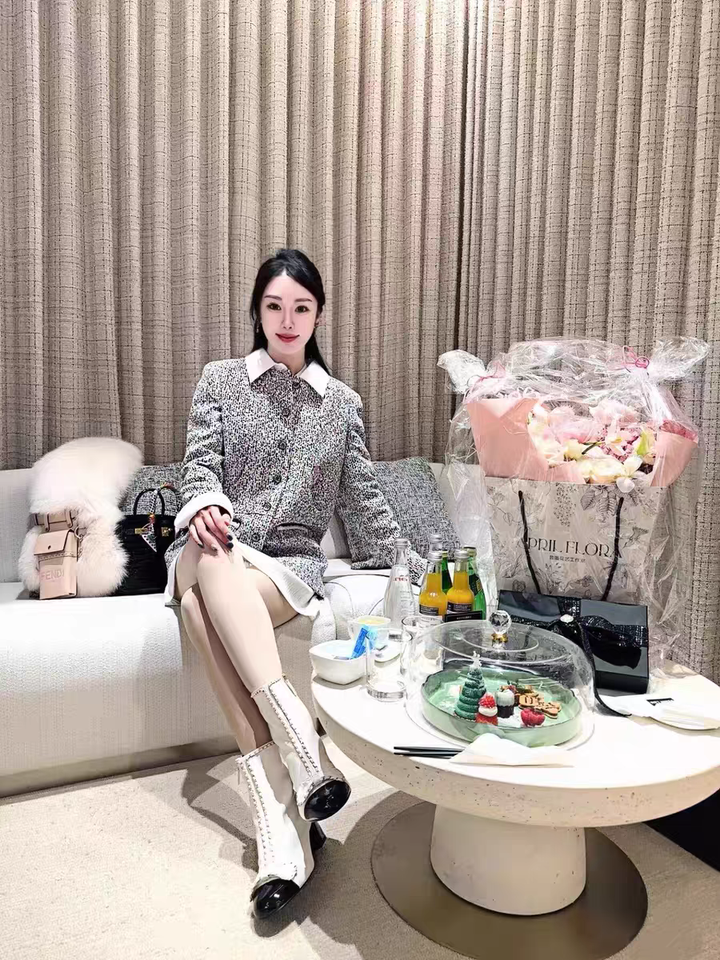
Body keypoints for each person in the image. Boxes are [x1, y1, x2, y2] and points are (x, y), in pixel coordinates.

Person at [164, 249, 425, 919]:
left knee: (198, 607)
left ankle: (284, 834)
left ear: (318, 316)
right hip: (209, 543)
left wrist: (415, 570)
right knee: (210, 556)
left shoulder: (341, 405)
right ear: (258, 312)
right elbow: (199, 465)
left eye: (301, 308)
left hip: (285, 567)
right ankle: (305, 752)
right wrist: (207, 503)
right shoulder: (221, 380)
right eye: (275, 306)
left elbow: (364, 501)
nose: (287, 320)